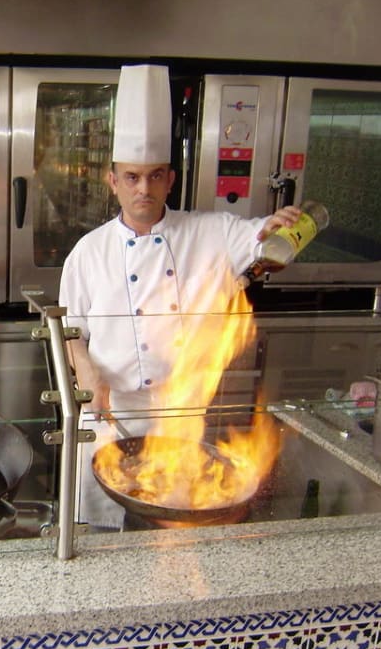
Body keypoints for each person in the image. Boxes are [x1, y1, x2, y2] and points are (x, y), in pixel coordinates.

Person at [58, 64, 301, 528]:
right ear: (112, 181)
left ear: (170, 179)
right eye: (131, 177)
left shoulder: (211, 233)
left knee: (169, 541)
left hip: (179, 423)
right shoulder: (87, 253)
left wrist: (277, 228)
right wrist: (89, 375)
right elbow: (72, 334)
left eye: (154, 176)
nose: (143, 189)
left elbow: (260, 242)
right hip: (111, 420)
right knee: (101, 541)